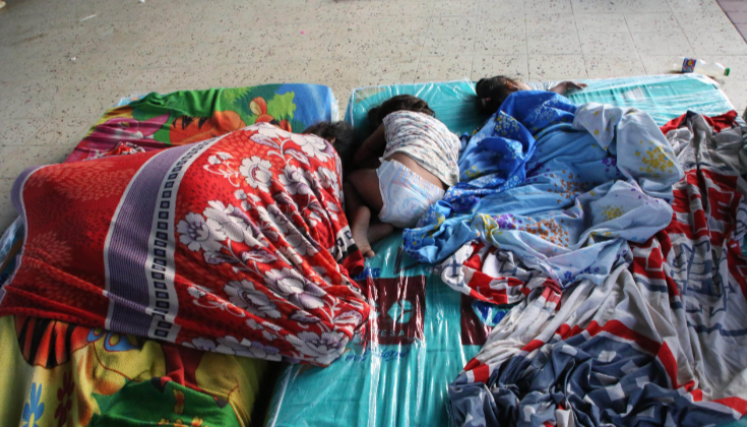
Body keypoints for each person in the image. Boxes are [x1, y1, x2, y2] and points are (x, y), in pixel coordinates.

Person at [345, 95, 461, 258]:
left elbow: (361, 155)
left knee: (350, 179)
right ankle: (384, 226)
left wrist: (368, 163)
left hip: (400, 183)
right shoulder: (452, 138)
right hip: (433, 205)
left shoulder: (394, 117)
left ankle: (360, 221)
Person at [475, 76, 587, 114]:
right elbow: (550, 95)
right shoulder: (527, 98)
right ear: (512, 86)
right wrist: (565, 84)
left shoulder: (503, 113)